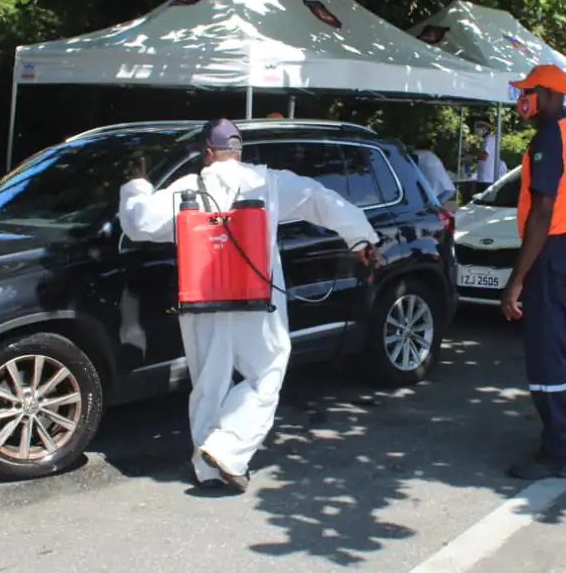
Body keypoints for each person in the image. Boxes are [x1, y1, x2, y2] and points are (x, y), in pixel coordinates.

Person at [119, 118, 381, 492]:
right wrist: (362, 240)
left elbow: (139, 223)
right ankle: (226, 449)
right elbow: (323, 200)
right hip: (255, 300)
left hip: (202, 300)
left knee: (208, 382)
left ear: (206, 153)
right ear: (239, 151)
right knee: (266, 374)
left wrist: (136, 185)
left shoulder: (186, 187)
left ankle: (207, 466)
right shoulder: (268, 182)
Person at [500, 65, 566, 480]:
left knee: (547, 355)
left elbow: (542, 212)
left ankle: (558, 453)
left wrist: (516, 280)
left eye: (531, 91)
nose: (524, 98)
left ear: (552, 95)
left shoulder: (548, 139)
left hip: (554, 252)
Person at [414, 138, 458, 210]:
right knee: (436, 208)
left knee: (429, 208)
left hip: (431, 189)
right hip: (445, 188)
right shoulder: (432, 156)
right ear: (431, 147)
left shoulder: (416, 155)